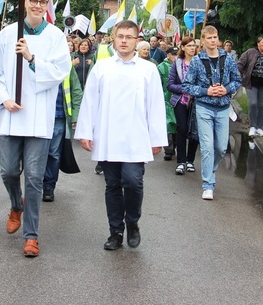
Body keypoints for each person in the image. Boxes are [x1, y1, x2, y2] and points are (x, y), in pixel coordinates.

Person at [0, 0, 71, 257]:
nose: (36, 5)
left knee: (33, 178)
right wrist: (4, 98)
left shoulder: (55, 36)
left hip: (39, 117)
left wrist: (32, 58)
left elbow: (60, 71)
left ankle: (31, 235)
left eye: (41, 2)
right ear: (25, 2)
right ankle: (15, 204)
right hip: (11, 114)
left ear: (47, 5)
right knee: (8, 171)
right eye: (32, 0)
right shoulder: (9, 33)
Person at [75, 20, 167, 251]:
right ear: (113, 39)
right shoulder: (102, 67)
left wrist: (157, 138)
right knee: (113, 184)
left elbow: (156, 105)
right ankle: (115, 231)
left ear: (137, 40)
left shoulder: (148, 69)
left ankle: (132, 221)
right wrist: (86, 131)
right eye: (120, 36)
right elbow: (90, 101)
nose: (124, 40)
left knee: (134, 182)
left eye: (129, 36)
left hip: (136, 136)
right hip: (108, 135)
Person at [182, 26, 241, 200]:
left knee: (221, 148)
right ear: (203, 40)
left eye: (215, 37)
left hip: (223, 108)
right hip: (204, 107)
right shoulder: (197, 61)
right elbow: (187, 85)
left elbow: (237, 80)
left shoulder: (228, 58)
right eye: (209, 38)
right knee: (207, 147)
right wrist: (206, 91)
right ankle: (208, 184)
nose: (213, 40)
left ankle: (210, 169)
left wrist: (226, 89)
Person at [42, 66, 83, 202]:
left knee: (53, 154)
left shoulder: (67, 66)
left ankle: (48, 186)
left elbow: (77, 92)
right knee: (37, 154)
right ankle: (35, 185)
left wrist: (75, 116)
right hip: (39, 117)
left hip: (59, 117)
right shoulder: (36, 62)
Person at [167, 37, 200, 175]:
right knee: (182, 128)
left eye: (194, 46)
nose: (192, 48)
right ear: (183, 47)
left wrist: (195, 90)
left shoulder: (200, 62)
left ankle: (190, 160)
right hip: (181, 100)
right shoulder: (177, 63)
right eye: (189, 46)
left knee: (194, 130)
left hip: (196, 101)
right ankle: (180, 161)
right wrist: (184, 89)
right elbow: (170, 85)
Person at [157, 47, 179, 161]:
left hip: (178, 100)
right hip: (165, 100)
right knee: (168, 125)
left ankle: (175, 146)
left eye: (177, 54)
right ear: (168, 55)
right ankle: (168, 149)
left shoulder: (182, 66)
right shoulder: (161, 67)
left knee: (177, 125)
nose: (176, 57)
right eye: (174, 54)